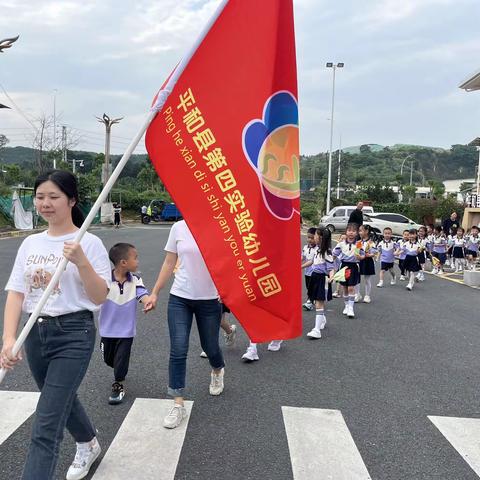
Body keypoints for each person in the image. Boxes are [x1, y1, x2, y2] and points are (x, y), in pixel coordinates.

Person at [0, 170, 111, 480]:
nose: (45, 203)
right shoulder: (30, 244)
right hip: (35, 333)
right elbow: (16, 293)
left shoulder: (88, 242)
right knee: (60, 397)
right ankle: (88, 442)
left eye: (53, 197)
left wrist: (81, 262)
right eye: (40, 197)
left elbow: (100, 296)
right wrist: (9, 340)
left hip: (74, 333)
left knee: (46, 425)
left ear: (71, 200)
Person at [144, 220, 225, 429]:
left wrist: (228, 293)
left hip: (210, 299)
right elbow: (169, 262)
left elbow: (231, 263)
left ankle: (217, 370)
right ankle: (178, 402)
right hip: (180, 297)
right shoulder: (178, 227)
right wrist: (155, 293)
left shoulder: (221, 225)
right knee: (178, 348)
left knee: (210, 347)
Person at [98, 243, 150, 405]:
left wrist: (148, 302)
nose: (138, 261)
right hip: (107, 330)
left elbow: (142, 293)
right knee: (109, 360)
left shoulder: (135, 280)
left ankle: (118, 384)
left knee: (121, 359)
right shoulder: (105, 279)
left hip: (126, 330)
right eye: (135, 258)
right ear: (123, 262)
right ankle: (118, 369)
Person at [302, 227, 335, 338]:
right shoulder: (317, 249)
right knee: (316, 301)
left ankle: (317, 330)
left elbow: (331, 267)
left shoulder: (327, 252)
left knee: (319, 303)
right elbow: (312, 261)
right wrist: (300, 267)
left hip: (322, 278)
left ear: (320, 237)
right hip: (315, 276)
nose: (314, 237)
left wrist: (331, 277)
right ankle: (322, 319)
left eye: (315, 235)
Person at [333, 223, 364, 319]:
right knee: (345, 288)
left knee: (351, 287)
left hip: (354, 266)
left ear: (357, 233)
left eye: (354, 231)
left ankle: (351, 308)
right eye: (349, 230)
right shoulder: (341, 244)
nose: (351, 233)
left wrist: (360, 257)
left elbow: (363, 256)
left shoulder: (359, 244)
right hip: (344, 266)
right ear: (346, 232)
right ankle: (346, 305)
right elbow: (334, 255)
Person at [357, 224, 377, 303]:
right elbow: (356, 252)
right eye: (359, 231)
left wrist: (369, 255)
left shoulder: (371, 242)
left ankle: (367, 295)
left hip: (368, 261)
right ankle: (357, 294)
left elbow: (375, 252)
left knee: (367, 279)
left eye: (361, 231)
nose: (359, 233)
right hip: (359, 261)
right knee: (356, 278)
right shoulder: (359, 242)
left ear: (366, 231)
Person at [301, 227, 317, 311]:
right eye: (308, 237)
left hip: (314, 272)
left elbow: (312, 261)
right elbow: (302, 257)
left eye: (312, 238)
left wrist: (301, 266)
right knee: (308, 286)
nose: (310, 240)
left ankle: (309, 302)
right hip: (307, 272)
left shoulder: (318, 249)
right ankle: (312, 299)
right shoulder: (305, 247)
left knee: (312, 287)